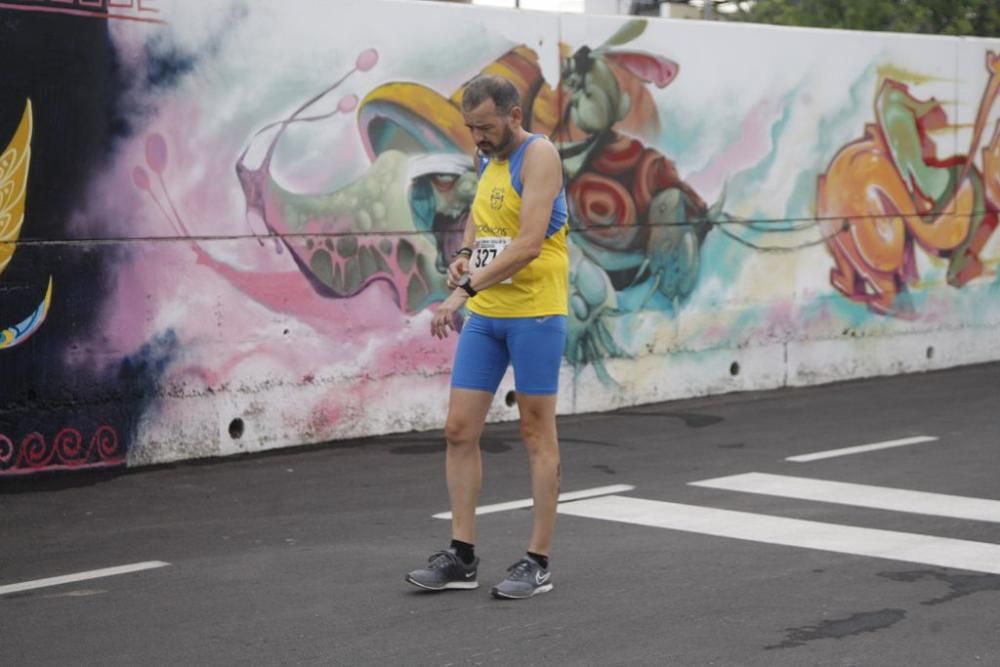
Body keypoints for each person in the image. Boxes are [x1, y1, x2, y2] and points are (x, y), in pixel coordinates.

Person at [405, 74, 569, 600]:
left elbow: (525, 244)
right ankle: (462, 556)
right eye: (471, 127)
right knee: (458, 430)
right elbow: (484, 225)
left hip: (535, 313)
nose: (477, 136)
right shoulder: (487, 159)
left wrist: (460, 293)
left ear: (514, 116)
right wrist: (461, 255)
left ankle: (537, 562)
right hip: (489, 315)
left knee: (535, 434)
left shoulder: (539, 155)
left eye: (485, 126)